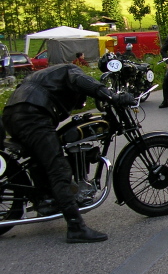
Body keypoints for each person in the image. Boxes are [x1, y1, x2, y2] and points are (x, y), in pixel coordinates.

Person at [2, 64, 136, 242]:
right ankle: (76, 227)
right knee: (59, 169)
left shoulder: (49, 74)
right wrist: (110, 95)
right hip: (32, 115)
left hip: (14, 113)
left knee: (43, 157)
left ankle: (47, 199)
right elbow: (83, 81)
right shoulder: (71, 70)